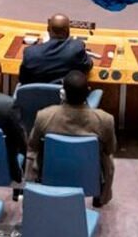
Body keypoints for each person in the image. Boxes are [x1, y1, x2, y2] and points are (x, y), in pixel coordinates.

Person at [27, 70, 116, 206]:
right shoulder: (105, 119)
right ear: (88, 92)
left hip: (52, 173)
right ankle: (99, 196)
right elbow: (110, 149)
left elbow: (33, 145)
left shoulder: (44, 116)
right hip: (88, 175)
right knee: (108, 157)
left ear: (62, 93)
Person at [18, 13, 93, 84]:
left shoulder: (30, 53)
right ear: (68, 31)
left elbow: (23, 79)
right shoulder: (76, 48)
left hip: (35, 93)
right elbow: (88, 66)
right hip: (66, 92)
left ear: (48, 29)